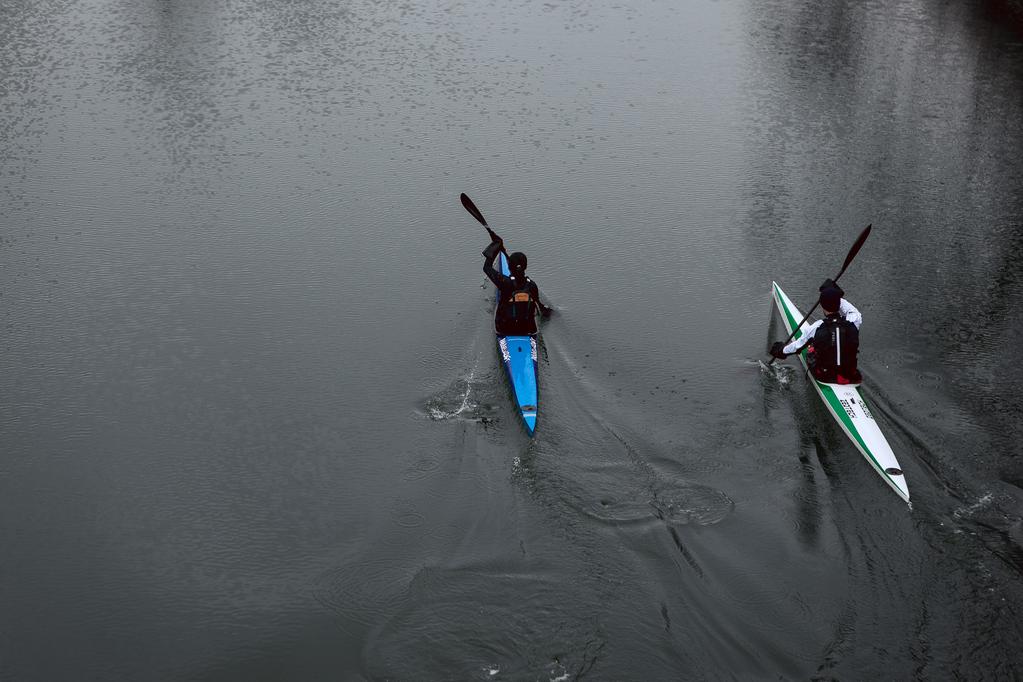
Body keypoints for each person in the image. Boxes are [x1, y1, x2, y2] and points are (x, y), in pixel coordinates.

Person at [770, 279, 862, 384]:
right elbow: (852, 310)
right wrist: (835, 294)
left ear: (822, 305)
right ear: (838, 303)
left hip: (825, 377)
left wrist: (781, 351)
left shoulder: (817, 326)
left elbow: (798, 346)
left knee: (811, 348)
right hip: (851, 376)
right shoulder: (854, 321)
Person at [482, 237, 552, 336]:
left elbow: (487, 267)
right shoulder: (532, 285)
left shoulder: (504, 283)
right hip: (528, 329)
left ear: (509, 267)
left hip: (504, 329)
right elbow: (540, 306)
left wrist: (496, 246)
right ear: (525, 267)